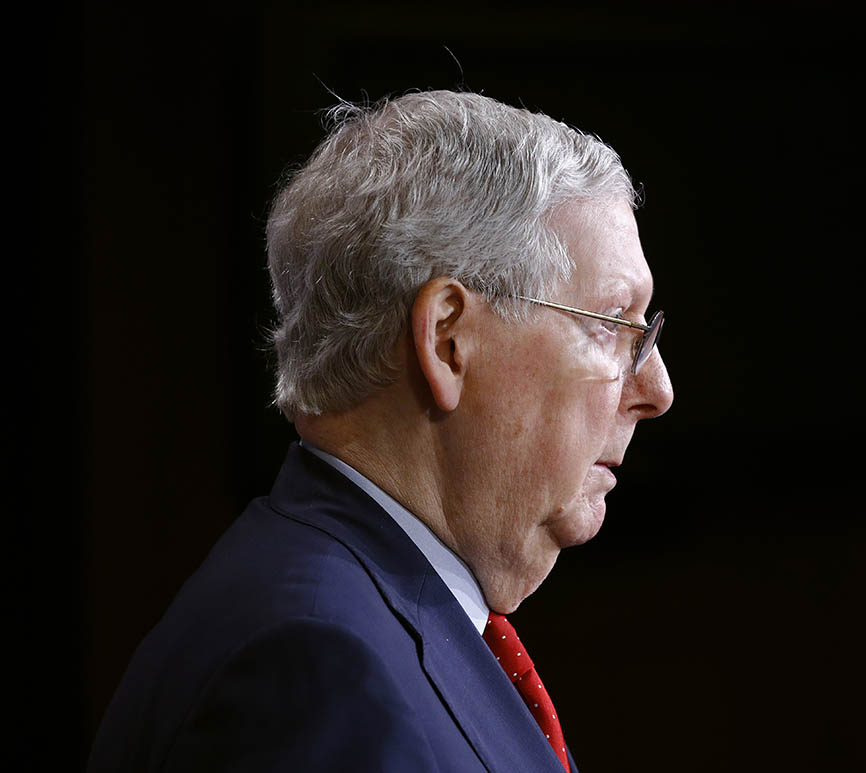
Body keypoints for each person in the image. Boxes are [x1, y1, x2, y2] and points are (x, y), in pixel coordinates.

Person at [88, 89, 673, 772]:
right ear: (449, 339)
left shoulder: (369, 615)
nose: (657, 389)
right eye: (611, 323)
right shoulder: (316, 669)